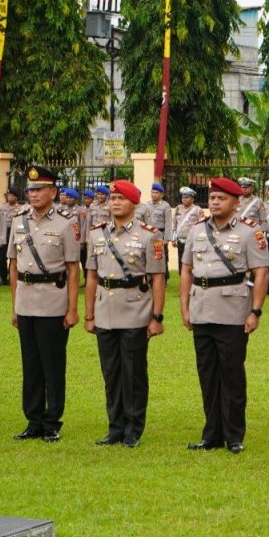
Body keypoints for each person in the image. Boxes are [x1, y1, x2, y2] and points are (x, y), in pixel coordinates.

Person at [180, 178, 269, 454]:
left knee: (231, 374)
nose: (215, 202)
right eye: (213, 197)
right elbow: (186, 269)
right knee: (207, 374)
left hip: (232, 310)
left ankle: (233, 435)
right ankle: (212, 433)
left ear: (235, 202)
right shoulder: (196, 231)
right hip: (202, 308)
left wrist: (255, 311)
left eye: (221, 198)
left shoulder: (248, 232)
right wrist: (184, 306)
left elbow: (261, 272)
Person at [84, 180, 166, 448]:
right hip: (105, 309)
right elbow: (92, 276)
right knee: (111, 372)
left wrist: (157, 317)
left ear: (134, 203)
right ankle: (115, 427)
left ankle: (133, 429)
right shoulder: (97, 233)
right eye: (112, 198)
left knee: (133, 373)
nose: (115, 202)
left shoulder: (148, 234)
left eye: (121, 198)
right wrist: (88, 315)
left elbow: (157, 279)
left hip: (135, 309)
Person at [9, 166, 80, 443]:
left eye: (39, 189)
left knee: (52, 364)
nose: (33, 194)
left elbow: (74, 269)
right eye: (30, 189)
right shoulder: (18, 222)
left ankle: (52, 421)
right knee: (31, 364)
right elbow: (13, 266)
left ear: (53, 192)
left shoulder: (65, 224)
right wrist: (15, 305)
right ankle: (33, 419)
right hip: (26, 300)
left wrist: (72, 309)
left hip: (53, 300)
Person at [140, 183, 172, 279]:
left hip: (160, 234)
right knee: (149, 255)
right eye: (152, 192)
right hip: (149, 235)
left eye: (156, 193)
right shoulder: (147, 205)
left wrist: (166, 239)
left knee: (161, 256)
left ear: (161, 194)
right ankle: (149, 277)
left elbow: (168, 223)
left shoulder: (165, 206)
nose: (153, 194)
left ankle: (164, 278)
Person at [0, 189, 21, 286]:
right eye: (8, 195)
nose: (9, 197)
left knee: (14, 256)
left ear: (16, 197)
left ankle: (14, 277)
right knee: (2, 257)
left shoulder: (20, 208)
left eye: (12, 196)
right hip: (4, 232)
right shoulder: (2, 207)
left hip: (14, 232)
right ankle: (3, 278)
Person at [171, 187, 202, 260]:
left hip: (192, 241)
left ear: (192, 199)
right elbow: (174, 225)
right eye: (183, 197)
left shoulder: (197, 210)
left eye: (187, 197)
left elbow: (202, 227)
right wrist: (173, 239)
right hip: (180, 241)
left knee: (190, 261)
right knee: (181, 261)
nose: (184, 199)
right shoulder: (178, 208)